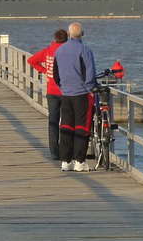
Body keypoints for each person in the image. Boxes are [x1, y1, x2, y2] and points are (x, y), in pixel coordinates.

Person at [52, 22, 97, 172]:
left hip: (65, 94)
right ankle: (79, 161)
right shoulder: (85, 50)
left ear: (69, 34)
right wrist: (90, 88)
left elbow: (55, 74)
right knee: (82, 127)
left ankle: (65, 161)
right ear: (82, 34)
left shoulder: (59, 50)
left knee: (66, 126)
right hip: (81, 94)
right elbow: (90, 74)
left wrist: (63, 87)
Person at [27, 28, 68, 159]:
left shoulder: (48, 51)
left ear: (55, 38)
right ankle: (65, 150)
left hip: (51, 91)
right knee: (66, 122)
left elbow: (31, 60)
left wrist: (44, 71)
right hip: (67, 91)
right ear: (66, 39)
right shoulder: (67, 51)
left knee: (53, 121)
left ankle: (54, 152)